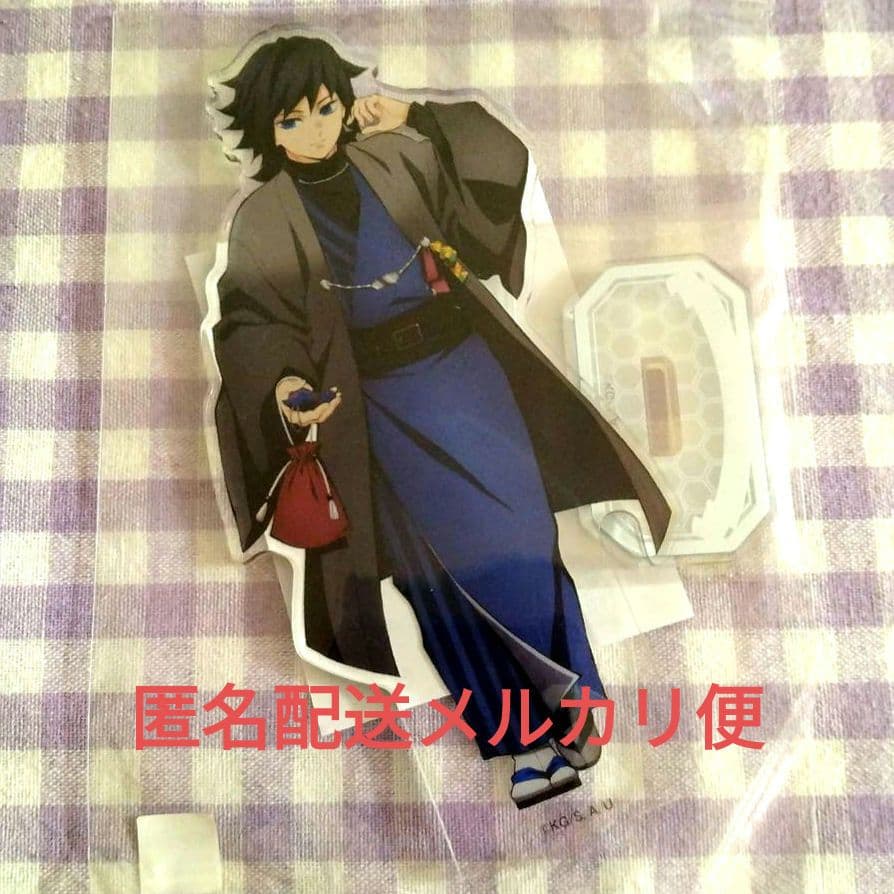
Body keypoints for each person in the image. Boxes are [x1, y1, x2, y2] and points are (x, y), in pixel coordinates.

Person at [209, 33, 670, 808]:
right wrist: (286, 385)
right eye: (292, 120)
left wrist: (419, 114)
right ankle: (520, 745)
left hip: (465, 375)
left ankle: (574, 700)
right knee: (437, 585)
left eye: (324, 108)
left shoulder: (398, 157)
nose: (315, 129)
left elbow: (494, 170)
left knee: (522, 540)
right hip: (372, 411)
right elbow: (250, 322)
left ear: (344, 103)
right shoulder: (262, 218)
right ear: (267, 131)